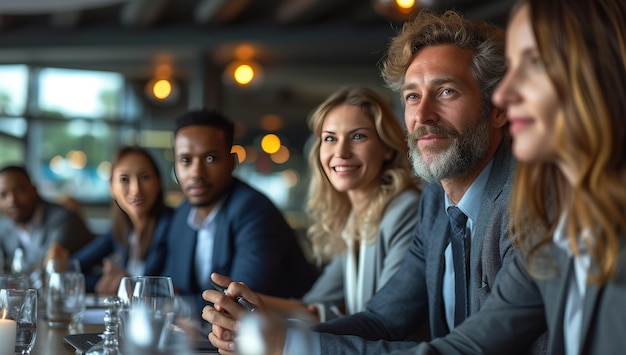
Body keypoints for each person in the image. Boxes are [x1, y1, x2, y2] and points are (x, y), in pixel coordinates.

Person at [202, 9, 545, 354]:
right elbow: (383, 319)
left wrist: (287, 343)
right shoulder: (434, 202)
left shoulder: (528, 200)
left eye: (446, 92)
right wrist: (272, 336)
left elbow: (471, 349)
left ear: (498, 109)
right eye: (412, 96)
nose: (422, 115)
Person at [388, 0, 626, 353]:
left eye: (534, 64)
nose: (503, 94)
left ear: (601, 74)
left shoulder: (534, 208)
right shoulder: (569, 219)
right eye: (411, 97)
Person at [259, 86, 421, 322]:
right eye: (330, 138)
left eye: (357, 136)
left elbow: (385, 321)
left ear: (386, 148)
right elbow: (313, 306)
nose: (341, 152)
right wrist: (247, 303)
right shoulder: (356, 219)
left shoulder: (405, 210)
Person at [162, 108, 319, 316]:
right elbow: (171, 287)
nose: (196, 173)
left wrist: (174, 304)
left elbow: (239, 304)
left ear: (232, 161)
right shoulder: (183, 214)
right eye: (185, 160)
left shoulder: (255, 212)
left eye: (210, 159)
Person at [71, 146, 174, 294]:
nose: (136, 190)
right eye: (124, 179)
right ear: (111, 188)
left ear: (158, 182)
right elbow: (73, 269)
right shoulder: (120, 230)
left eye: (144, 177)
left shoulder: (174, 226)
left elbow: (174, 289)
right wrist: (113, 283)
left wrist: (128, 284)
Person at [0, 165, 94, 277]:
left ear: (34, 190)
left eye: (19, 190)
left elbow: (49, 266)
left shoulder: (63, 218)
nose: (12, 201)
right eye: (3, 195)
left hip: (83, 290)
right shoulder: (4, 226)